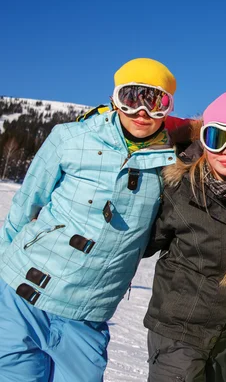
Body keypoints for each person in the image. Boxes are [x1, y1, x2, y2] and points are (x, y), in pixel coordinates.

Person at [0, 57, 177, 381]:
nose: (142, 112)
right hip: (21, 296)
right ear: (114, 98)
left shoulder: (171, 164)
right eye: (131, 97)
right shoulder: (70, 137)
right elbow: (26, 205)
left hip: (87, 314)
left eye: (156, 103)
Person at [143, 91, 226, 382]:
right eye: (217, 138)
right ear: (203, 140)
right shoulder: (178, 187)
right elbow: (141, 242)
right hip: (177, 335)